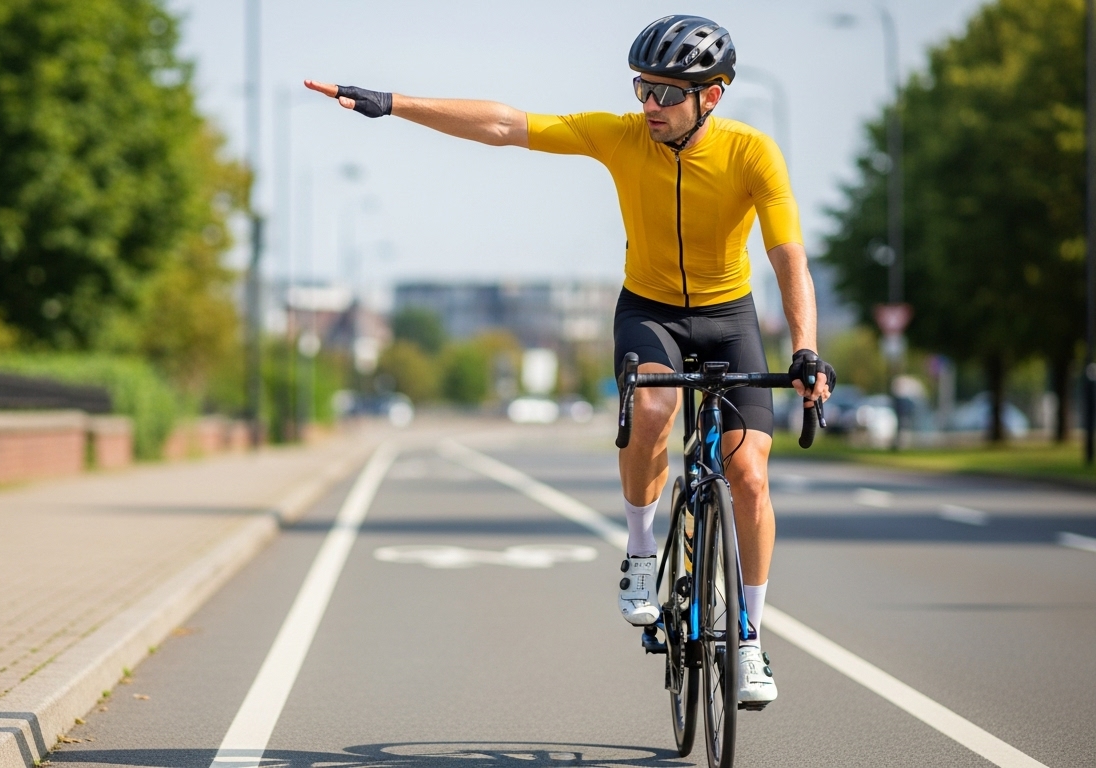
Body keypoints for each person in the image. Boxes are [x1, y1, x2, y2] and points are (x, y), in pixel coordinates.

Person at [306, 14, 834, 708]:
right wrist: (392, 104)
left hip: (729, 315)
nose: (648, 104)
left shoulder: (752, 153)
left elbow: (787, 255)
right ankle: (642, 554)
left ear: (713, 96)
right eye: (642, 86)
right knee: (652, 403)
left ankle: (748, 640)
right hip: (649, 310)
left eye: (666, 92)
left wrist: (805, 347)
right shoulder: (620, 135)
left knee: (749, 474)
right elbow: (506, 125)